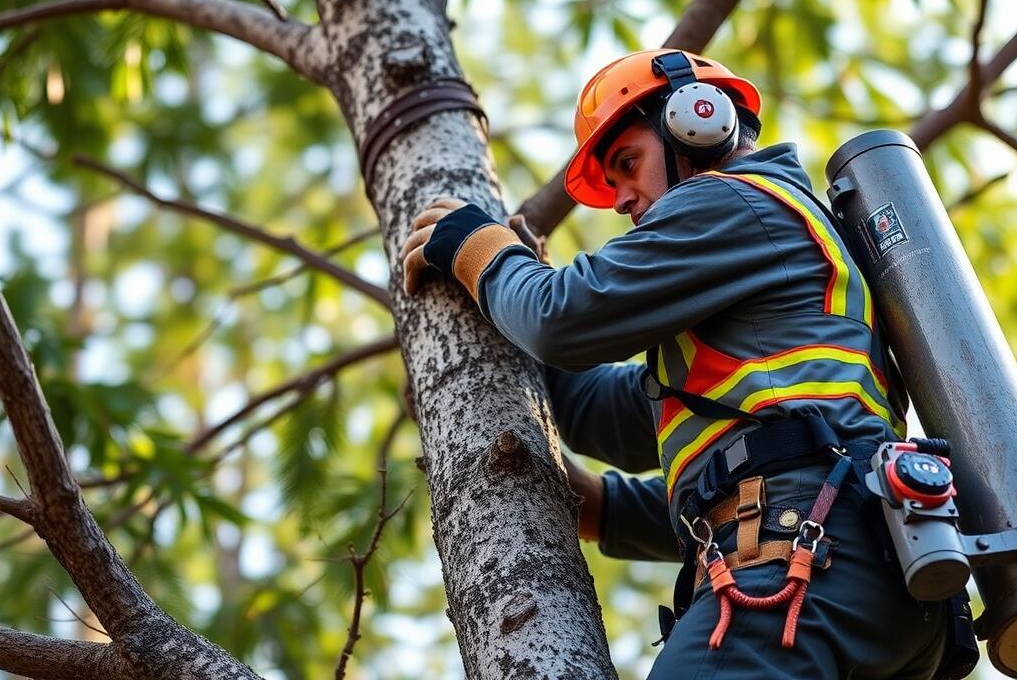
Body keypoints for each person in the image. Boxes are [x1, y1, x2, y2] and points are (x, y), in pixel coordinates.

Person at [401, 49, 965, 678]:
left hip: (804, 558)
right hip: (868, 579)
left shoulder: (736, 203)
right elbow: (606, 413)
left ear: (696, 121)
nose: (621, 200)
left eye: (627, 164)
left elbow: (563, 319)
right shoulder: (756, 318)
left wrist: (482, 252)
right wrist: (604, 506)